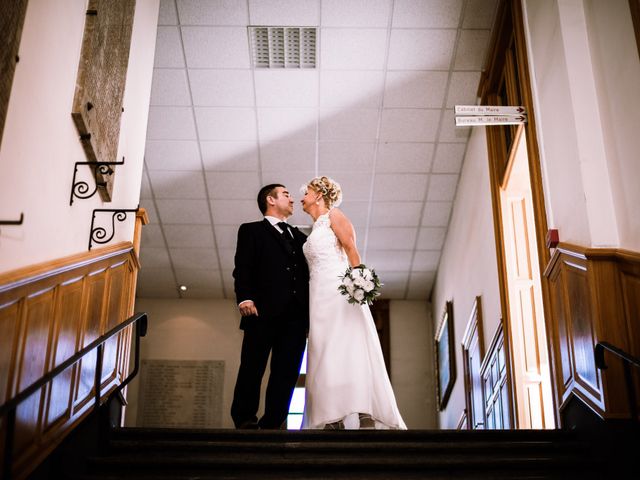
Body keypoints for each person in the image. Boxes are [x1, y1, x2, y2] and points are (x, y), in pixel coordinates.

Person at [300, 176, 407, 430]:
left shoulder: (334, 216)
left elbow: (350, 248)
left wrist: (358, 283)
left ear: (318, 195)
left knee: (345, 343)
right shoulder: (314, 229)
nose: (301, 197)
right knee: (323, 348)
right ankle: (331, 414)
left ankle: (361, 409)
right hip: (318, 295)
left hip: (337, 290)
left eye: (306, 192)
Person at [230, 184, 309, 429]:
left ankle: (274, 421)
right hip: (261, 311)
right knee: (252, 367)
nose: (292, 199)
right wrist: (245, 297)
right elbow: (243, 267)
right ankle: (244, 418)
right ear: (270, 200)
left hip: (296, 317)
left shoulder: (300, 237)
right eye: (286, 194)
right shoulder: (252, 231)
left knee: (287, 372)